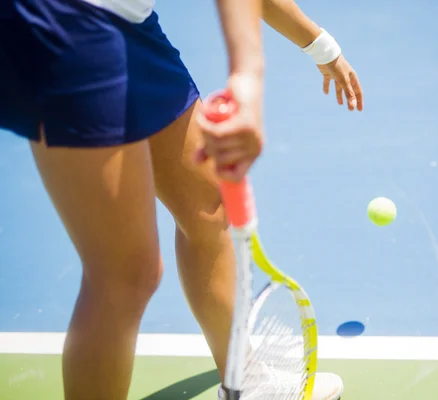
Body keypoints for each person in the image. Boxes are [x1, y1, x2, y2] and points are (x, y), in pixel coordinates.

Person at [0, 0, 363, 399]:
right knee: (125, 274)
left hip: (130, 22)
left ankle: (245, 379)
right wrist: (248, 79)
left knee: (208, 208)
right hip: (60, 22)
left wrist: (319, 45)